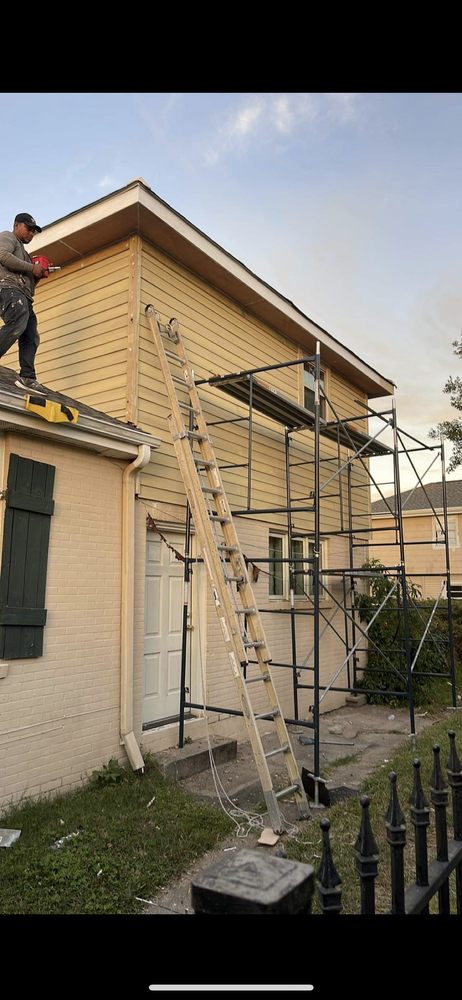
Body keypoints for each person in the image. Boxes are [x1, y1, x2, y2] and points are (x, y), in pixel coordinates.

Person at [0, 212, 48, 394]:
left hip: (23, 295)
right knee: (17, 322)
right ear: (16, 225)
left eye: (33, 232)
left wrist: (38, 275)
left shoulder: (26, 255)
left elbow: (30, 285)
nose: (31, 234)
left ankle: (27, 377)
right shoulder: (7, 236)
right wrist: (32, 267)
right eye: (28, 229)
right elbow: (2, 256)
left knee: (31, 336)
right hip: (7, 288)